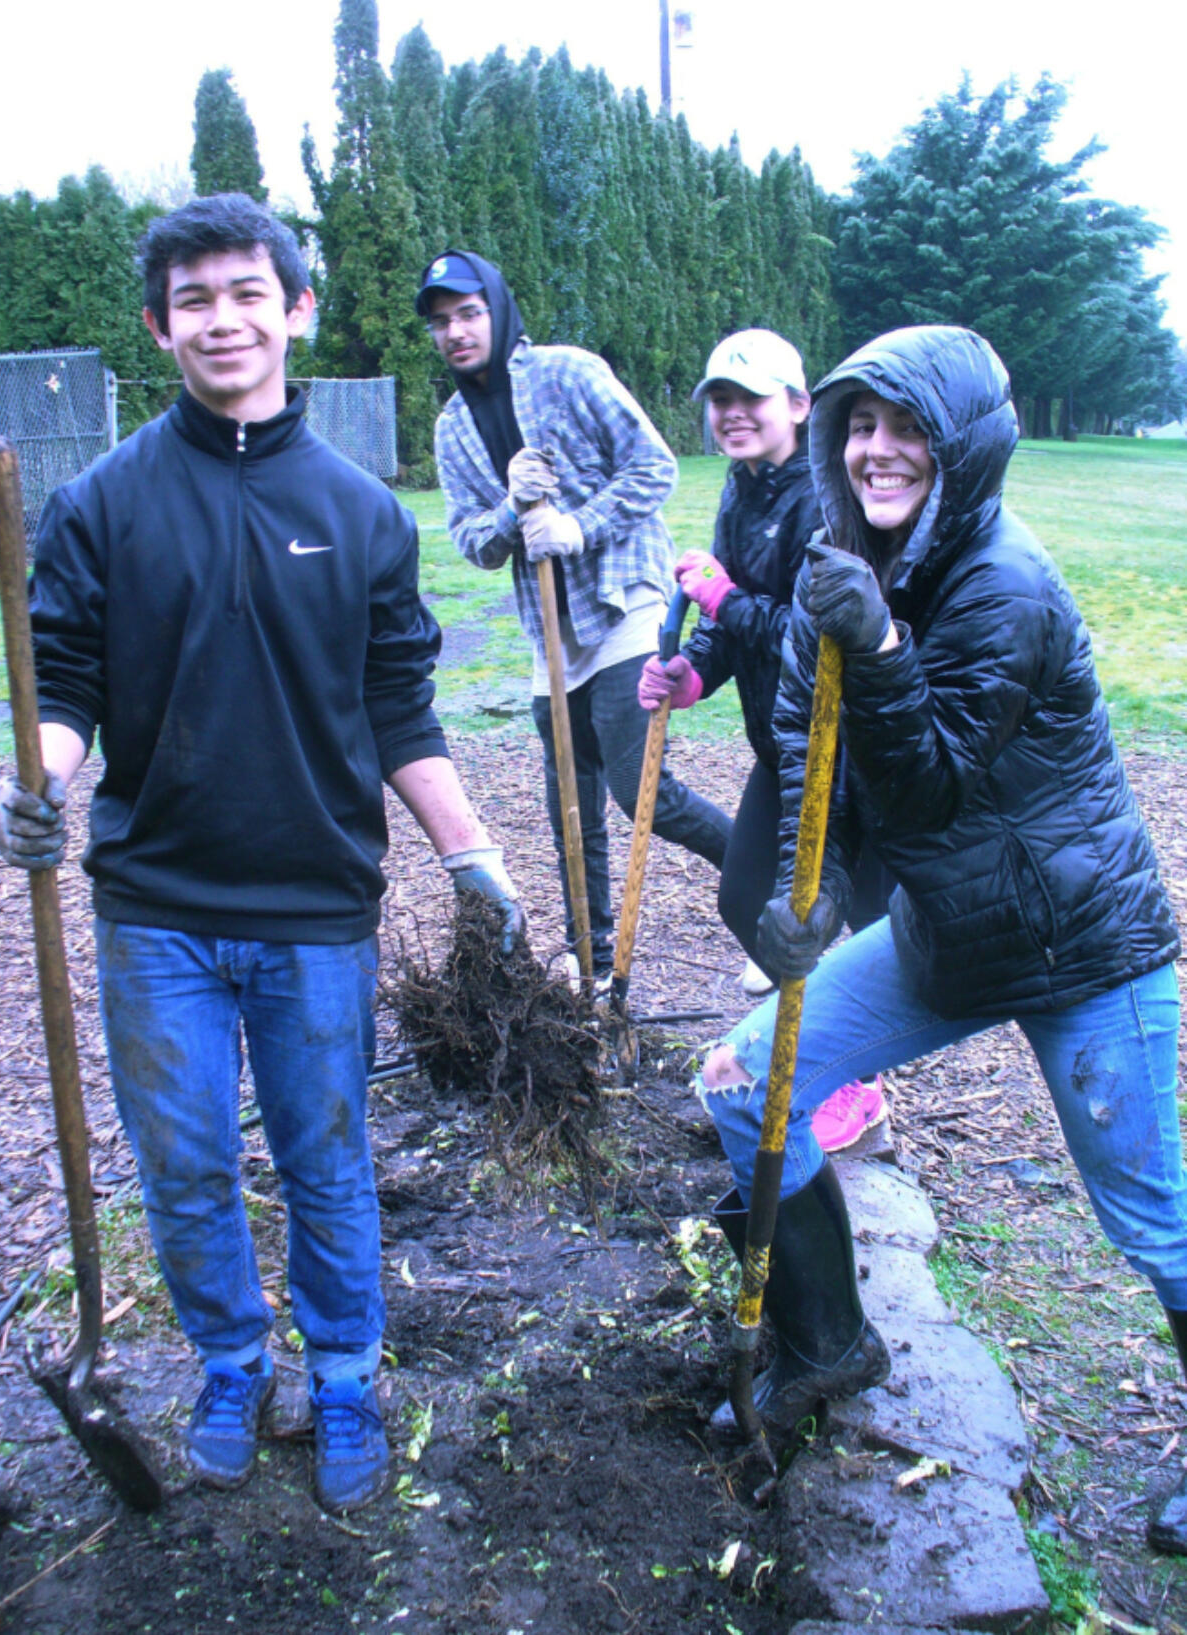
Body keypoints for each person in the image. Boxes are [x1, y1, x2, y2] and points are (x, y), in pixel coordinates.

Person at [0, 194, 522, 1516]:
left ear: (294, 310)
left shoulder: (360, 512)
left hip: (310, 903)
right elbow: (61, 683)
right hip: (153, 902)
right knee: (182, 1164)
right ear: (161, 326)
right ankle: (233, 1359)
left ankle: (342, 1371)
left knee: (325, 1155)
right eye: (192, 300)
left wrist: (470, 855)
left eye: (244, 292)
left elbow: (398, 706)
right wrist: (39, 786)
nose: (219, 319)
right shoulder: (101, 504)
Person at [694, 324, 1186, 1556]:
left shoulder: (1000, 581)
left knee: (1148, 1216)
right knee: (742, 1080)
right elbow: (818, 739)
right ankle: (826, 1343)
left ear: (962, 444)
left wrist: (881, 644)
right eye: (857, 426)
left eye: (904, 427)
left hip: (1079, 945)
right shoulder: (847, 555)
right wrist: (811, 892)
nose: (875, 450)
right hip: (942, 932)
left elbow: (932, 787)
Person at [417, 251, 731, 989]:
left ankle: (761, 879)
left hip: (625, 599)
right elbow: (473, 542)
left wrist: (579, 526)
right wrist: (510, 507)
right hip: (549, 632)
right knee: (571, 804)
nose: (456, 332)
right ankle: (589, 956)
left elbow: (655, 467)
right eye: (441, 322)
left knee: (637, 790)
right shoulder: (453, 428)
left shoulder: (569, 372)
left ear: (497, 309)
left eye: (468, 312)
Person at [637, 330, 888, 1153]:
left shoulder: (826, 501)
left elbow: (811, 639)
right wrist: (694, 675)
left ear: (799, 405)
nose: (732, 413)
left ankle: (855, 1077)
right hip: (781, 745)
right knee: (745, 899)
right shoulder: (741, 489)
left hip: (842, 751)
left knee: (839, 915)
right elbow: (733, 622)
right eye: (720, 399)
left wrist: (719, 597)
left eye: (751, 397)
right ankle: (829, 1053)